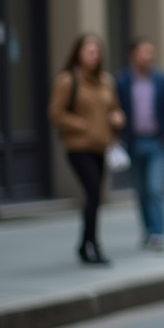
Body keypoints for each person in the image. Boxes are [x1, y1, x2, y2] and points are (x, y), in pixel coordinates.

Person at [48, 33, 126, 265]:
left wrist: (117, 117)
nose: (94, 55)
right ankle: (93, 245)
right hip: (78, 147)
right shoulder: (67, 80)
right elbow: (55, 113)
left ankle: (85, 244)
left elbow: (115, 108)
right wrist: (80, 124)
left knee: (95, 196)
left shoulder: (106, 81)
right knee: (93, 193)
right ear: (78, 53)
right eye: (89, 51)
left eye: (97, 51)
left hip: (101, 146)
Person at [116, 38, 164, 252]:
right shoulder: (122, 81)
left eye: (150, 52)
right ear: (132, 55)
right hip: (133, 144)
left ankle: (158, 234)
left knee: (156, 189)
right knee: (141, 192)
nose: (148, 56)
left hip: (156, 142)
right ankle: (147, 230)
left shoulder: (162, 80)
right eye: (144, 52)